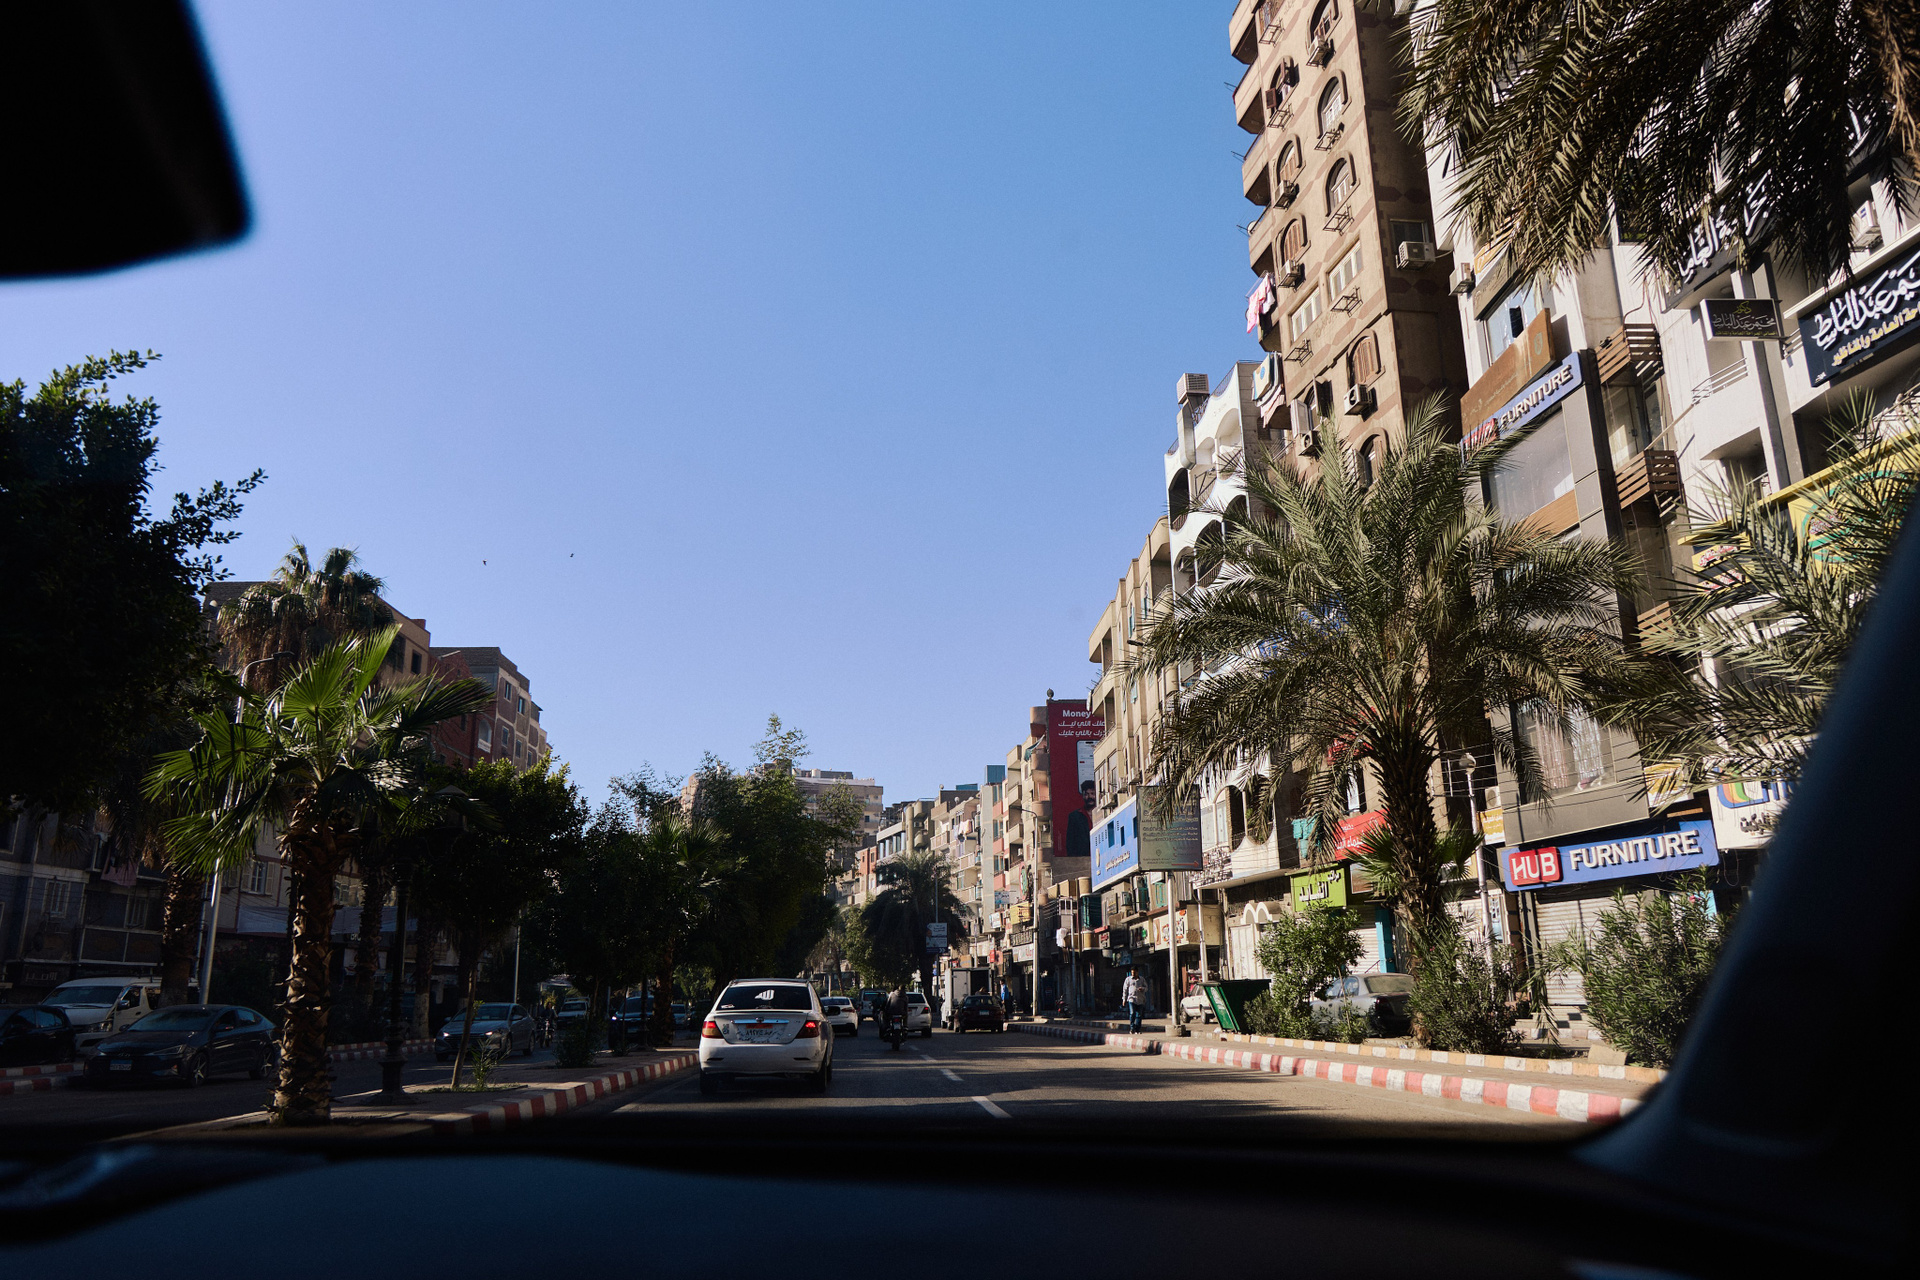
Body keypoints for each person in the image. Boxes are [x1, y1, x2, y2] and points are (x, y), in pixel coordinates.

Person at [885, 986, 908, 1050]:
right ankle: (905, 1027)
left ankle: (887, 1028)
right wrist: (904, 1013)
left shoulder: (892, 995)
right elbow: (906, 1007)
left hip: (892, 1012)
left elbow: (888, 1004)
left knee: (886, 1018)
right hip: (901, 1013)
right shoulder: (905, 996)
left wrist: (886, 1011)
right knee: (906, 1017)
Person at [1122, 968, 1144, 1034]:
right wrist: (1124, 999)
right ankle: (1132, 1028)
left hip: (1140, 999)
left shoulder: (1142, 979)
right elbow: (1125, 990)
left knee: (1139, 1015)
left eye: (1134, 972)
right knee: (1132, 1013)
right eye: (1132, 973)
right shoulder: (1128, 979)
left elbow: (1146, 987)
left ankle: (1138, 1029)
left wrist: (1142, 988)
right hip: (1131, 999)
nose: (1133, 974)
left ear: (1137, 972)